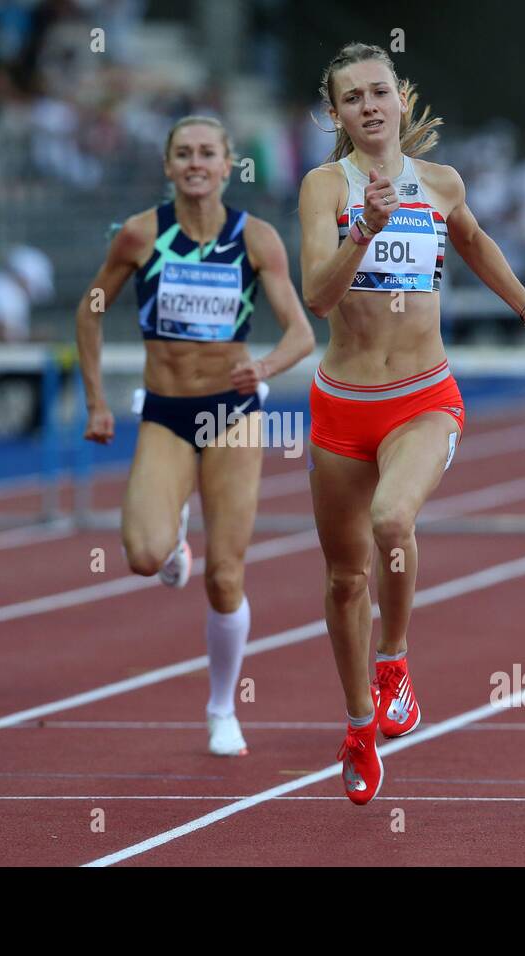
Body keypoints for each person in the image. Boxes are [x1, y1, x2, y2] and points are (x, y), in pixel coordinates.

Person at [298, 43, 525, 804]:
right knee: (344, 577)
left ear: (400, 99)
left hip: (423, 396)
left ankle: (395, 659)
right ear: (336, 114)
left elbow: (478, 244)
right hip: (341, 407)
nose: (368, 106)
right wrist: (363, 229)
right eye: (351, 97)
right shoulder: (325, 186)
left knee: (394, 520)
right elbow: (318, 299)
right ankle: (359, 724)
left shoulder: (442, 183)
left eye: (378, 91)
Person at [77, 115, 315, 756]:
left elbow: (301, 332)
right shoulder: (139, 235)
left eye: (207, 153)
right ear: (168, 166)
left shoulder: (256, 239)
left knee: (226, 575)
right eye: (183, 153)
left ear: (228, 164)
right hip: (166, 410)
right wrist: (97, 399)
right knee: (142, 557)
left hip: (232, 414)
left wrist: (263, 366)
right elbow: (91, 310)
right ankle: (173, 534)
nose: (195, 163)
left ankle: (220, 707)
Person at [0, 246, 56, 434]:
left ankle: (35, 426)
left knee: (52, 367)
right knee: (55, 369)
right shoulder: (0, 291)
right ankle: (35, 428)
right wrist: (37, 338)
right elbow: (4, 338)